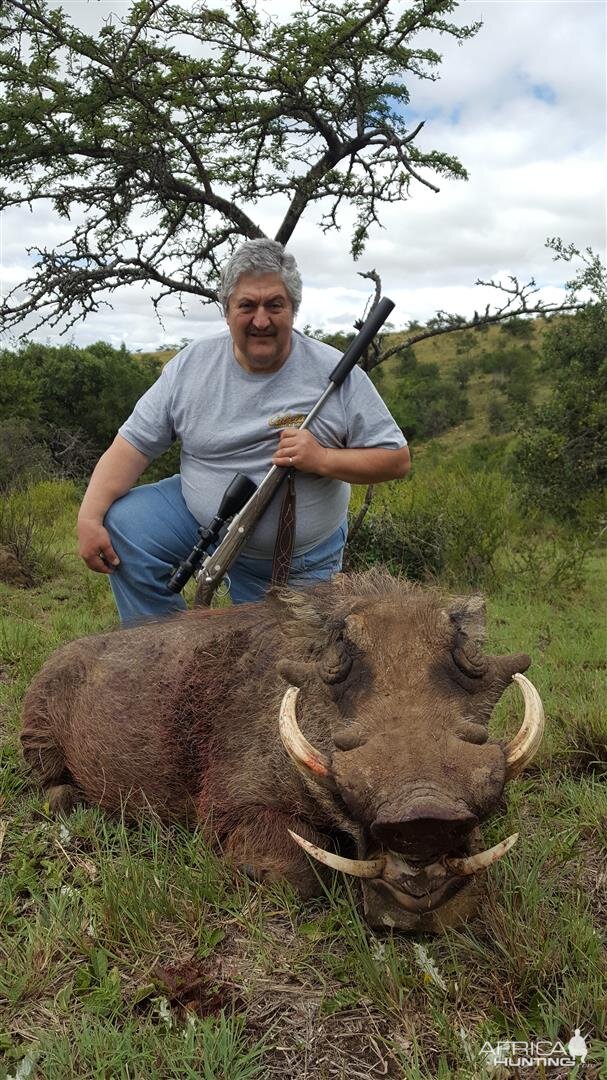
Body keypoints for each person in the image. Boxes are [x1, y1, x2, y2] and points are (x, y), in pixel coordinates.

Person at [77, 239, 410, 622]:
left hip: (296, 559)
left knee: (287, 670)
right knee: (122, 526)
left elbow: (396, 459)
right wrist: (88, 518)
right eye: (247, 306)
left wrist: (322, 458)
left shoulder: (336, 373)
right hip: (202, 521)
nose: (261, 320)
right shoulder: (191, 366)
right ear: (227, 310)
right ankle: (165, 655)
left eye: (275, 305)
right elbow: (132, 446)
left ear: (293, 309)